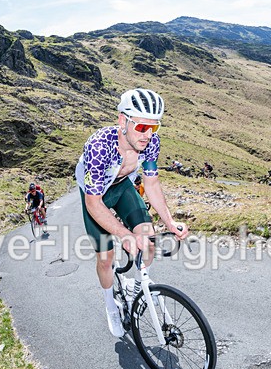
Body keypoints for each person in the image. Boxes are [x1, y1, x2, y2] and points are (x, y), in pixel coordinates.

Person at [75, 88, 189, 337]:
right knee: (106, 259)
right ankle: (110, 306)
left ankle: (135, 290)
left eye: (154, 128)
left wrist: (169, 222)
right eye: (141, 127)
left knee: (147, 242)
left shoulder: (150, 143)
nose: (148, 135)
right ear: (122, 121)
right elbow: (94, 203)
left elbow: (151, 184)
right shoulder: (99, 145)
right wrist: (124, 234)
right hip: (96, 196)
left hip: (122, 186)